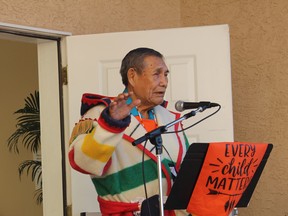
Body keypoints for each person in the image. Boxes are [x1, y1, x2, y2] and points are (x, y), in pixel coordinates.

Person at [69, 47, 190, 216]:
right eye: (157, 74)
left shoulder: (171, 118)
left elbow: (187, 172)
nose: (164, 82)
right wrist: (111, 125)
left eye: (166, 74)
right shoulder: (100, 114)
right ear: (132, 76)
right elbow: (81, 161)